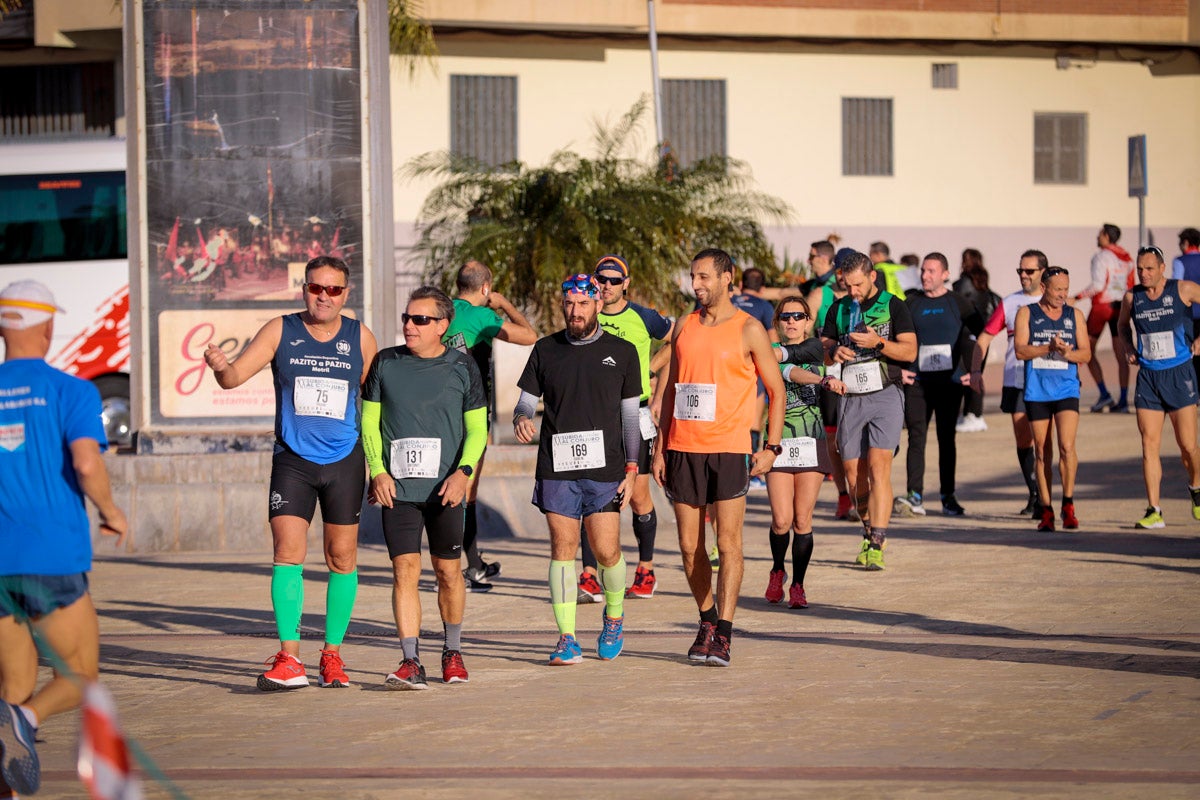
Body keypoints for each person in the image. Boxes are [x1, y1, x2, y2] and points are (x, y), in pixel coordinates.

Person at [204, 255, 378, 690]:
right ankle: (290, 658)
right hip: (293, 461)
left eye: (333, 289)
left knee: (342, 558)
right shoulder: (280, 330)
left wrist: (381, 467)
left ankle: (332, 656)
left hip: (344, 460)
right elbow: (233, 378)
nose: (324, 296)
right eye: (315, 288)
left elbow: (378, 405)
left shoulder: (360, 338)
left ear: (346, 293)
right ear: (304, 289)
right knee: (287, 553)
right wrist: (221, 367)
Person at [0, 281, 128, 797]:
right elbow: (86, 463)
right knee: (79, 677)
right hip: (51, 557)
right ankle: (27, 719)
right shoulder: (71, 390)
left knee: (12, 685)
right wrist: (111, 512)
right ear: (49, 326)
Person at [652, 248, 786, 667]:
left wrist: (771, 447)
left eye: (704, 277)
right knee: (689, 546)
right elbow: (672, 388)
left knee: (728, 544)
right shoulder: (685, 325)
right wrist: (660, 446)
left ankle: (724, 632)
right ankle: (707, 619)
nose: (696, 285)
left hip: (729, 448)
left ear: (727, 278)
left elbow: (777, 390)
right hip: (683, 448)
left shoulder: (749, 328)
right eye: (693, 276)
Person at [362, 286, 487, 689]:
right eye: (407, 317)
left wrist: (463, 473)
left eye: (420, 319)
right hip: (397, 490)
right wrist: (377, 471)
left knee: (448, 572)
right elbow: (369, 423)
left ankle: (452, 651)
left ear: (442, 325)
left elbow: (477, 429)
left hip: (445, 490)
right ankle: (410, 660)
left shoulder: (462, 367)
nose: (409, 326)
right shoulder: (386, 362)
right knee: (404, 571)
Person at [513, 274, 641, 665]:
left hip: (606, 468)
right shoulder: (545, 349)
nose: (575, 311)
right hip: (557, 466)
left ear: (598, 304)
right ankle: (566, 638)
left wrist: (632, 468)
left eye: (583, 304)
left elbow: (630, 417)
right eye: (569, 304)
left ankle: (614, 617)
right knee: (563, 550)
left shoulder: (622, 351)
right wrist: (521, 417)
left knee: (606, 551)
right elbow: (525, 401)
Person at [577, 254, 674, 601]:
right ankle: (589, 576)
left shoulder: (644, 317)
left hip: (635, 413)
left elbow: (677, 340)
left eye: (614, 280)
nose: (606, 285)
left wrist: (650, 368)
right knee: (590, 494)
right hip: (594, 415)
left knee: (638, 496)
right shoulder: (588, 312)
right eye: (601, 279)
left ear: (626, 283)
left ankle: (646, 570)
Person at [442, 260, 538, 592]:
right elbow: (529, 336)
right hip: (470, 412)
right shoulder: (482, 316)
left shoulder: (442, 309)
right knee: (466, 490)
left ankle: (472, 564)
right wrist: (504, 303)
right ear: (486, 287)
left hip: (438, 412)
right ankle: (459, 570)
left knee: (449, 485)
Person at [820, 249, 917, 569]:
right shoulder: (839, 308)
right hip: (851, 397)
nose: (853, 291)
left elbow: (909, 351)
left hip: (885, 393)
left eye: (858, 285)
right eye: (847, 285)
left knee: (879, 467)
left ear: (872, 276)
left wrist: (878, 343)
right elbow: (824, 349)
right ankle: (867, 529)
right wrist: (835, 351)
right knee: (853, 476)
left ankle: (877, 539)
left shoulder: (893, 305)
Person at [764, 296, 845, 609]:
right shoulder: (770, 352)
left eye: (798, 316)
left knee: (802, 519)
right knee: (781, 520)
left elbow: (815, 354)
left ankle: (798, 584)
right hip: (779, 441)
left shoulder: (815, 348)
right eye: (785, 317)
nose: (792, 322)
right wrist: (822, 379)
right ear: (777, 322)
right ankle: (777, 570)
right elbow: (790, 372)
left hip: (811, 440)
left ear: (808, 321)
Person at [1117, 246, 1200, 529]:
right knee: (1149, 445)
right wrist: (1128, 347)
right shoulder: (1132, 297)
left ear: (1162, 268)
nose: (1144, 273)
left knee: (1188, 445)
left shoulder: (1183, 289)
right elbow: (1122, 326)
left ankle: (1196, 487)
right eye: (1140, 268)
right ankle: (1154, 510)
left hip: (1179, 374)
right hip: (1149, 378)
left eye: (1150, 268)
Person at [895, 252, 980, 517]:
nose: (925, 275)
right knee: (916, 437)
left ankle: (948, 497)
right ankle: (915, 496)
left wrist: (974, 371)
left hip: (949, 384)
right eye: (923, 270)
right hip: (917, 383)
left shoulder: (959, 303)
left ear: (945, 274)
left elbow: (980, 337)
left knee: (946, 439)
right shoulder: (911, 303)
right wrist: (899, 370)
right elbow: (895, 338)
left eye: (931, 271)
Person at [971, 250, 1054, 517]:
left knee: (1044, 440)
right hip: (1017, 379)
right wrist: (975, 370)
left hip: (1049, 379)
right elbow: (985, 337)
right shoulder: (1010, 303)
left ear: (1043, 272)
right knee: (1023, 438)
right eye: (1020, 271)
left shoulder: (1054, 300)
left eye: (1029, 271)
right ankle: (1034, 492)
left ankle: (1046, 496)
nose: (1023, 275)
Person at [1014, 266, 1090, 532]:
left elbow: (1086, 354)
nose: (1062, 294)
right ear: (1044, 288)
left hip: (1067, 389)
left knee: (1067, 447)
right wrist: (1049, 347)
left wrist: (1067, 354)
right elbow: (1020, 351)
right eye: (1058, 290)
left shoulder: (1074, 315)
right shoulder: (1027, 313)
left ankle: (1068, 504)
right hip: (1037, 391)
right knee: (1042, 450)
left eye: (1066, 289)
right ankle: (1046, 510)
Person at [805, 243, 853, 519]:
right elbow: (802, 329)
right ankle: (843, 495)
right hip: (829, 375)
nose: (841, 276)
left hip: (859, 375)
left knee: (856, 438)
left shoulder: (864, 298)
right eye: (839, 271)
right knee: (833, 439)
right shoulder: (820, 295)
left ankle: (861, 492)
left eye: (847, 271)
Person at [1078, 223, 1134, 413]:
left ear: (1107, 236)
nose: (1097, 237)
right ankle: (1123, 401)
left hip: (1102, 307)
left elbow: (1097, 285)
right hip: (1120, 308)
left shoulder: (1101, 256)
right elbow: (1131, 286)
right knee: (1121, 356)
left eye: (1100, 234)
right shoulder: (1127, 258)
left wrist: (1076, 298)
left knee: (1085, 350)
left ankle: (1104, 394)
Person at [953, 248, 1000, 433]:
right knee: (975, 372)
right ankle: (971, 413)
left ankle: (974, 414)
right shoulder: (982, 280)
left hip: (966, 333)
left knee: (967, 374)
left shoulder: (963, 282)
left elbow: (958, 305)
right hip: (982, 332)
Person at [1170, 228, 1200, 384]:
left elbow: (1177, 286)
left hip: (1189, 315)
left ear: (1186, 243)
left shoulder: (1179, 261)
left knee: (1190, 352)